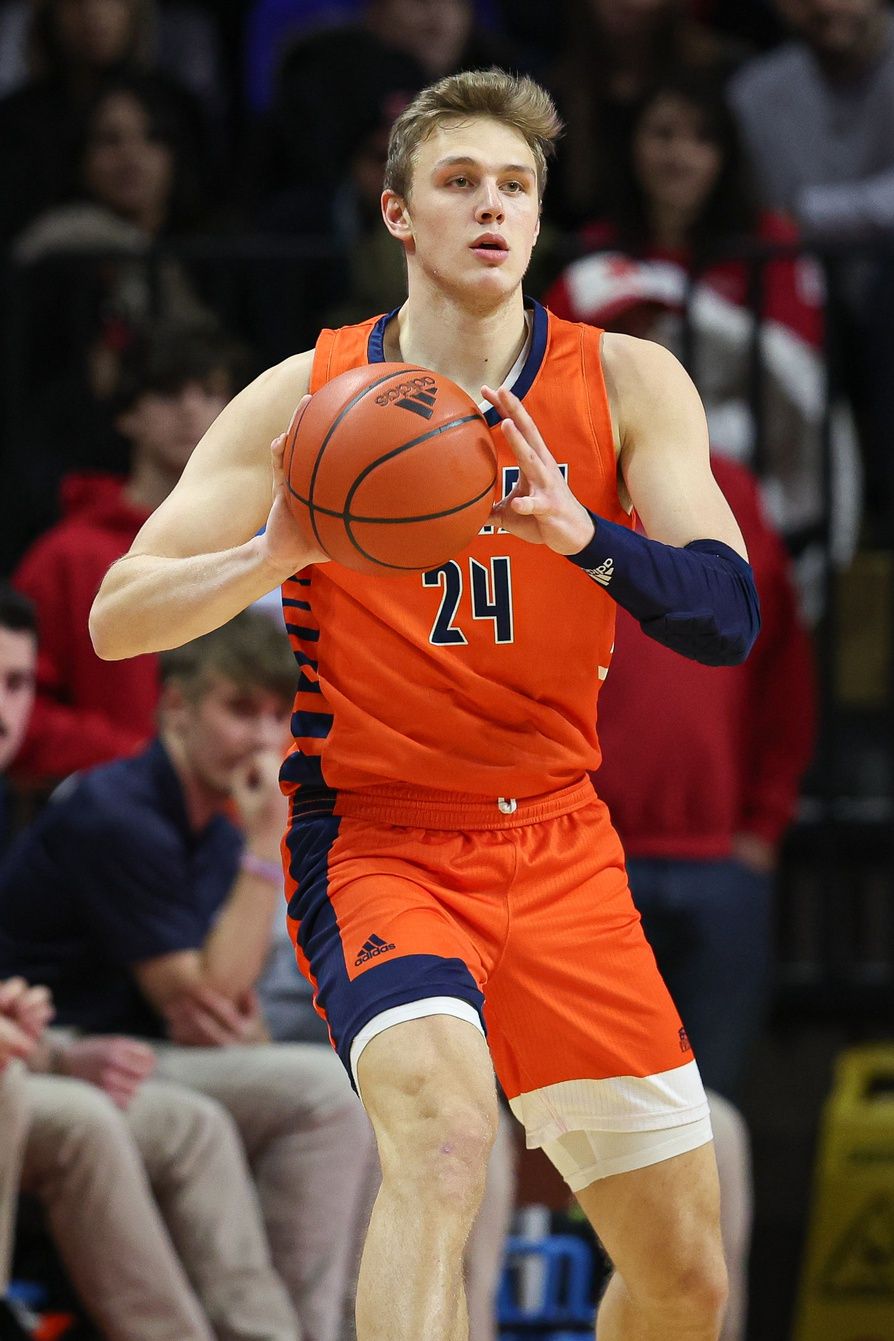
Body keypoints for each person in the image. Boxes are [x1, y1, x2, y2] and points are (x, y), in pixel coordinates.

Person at [89, 69, 762, 1341]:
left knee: (683, 1277)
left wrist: (583, 534)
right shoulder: (307, 399)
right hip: (380, 840)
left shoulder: (626, 383)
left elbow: (727, 617)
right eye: (460, 183)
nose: (492, 207)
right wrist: (265, 559)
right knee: (444, 1142)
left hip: (562, 843)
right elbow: (117, 617)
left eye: (517, 186)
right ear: (400, 214)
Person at [0, 609, 377, 1341]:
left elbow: (224, 1009)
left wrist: (234, 1014)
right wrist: (270, 836)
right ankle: (290, 1330)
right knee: (324, 1098)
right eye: (241, 710)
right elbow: (201, 995)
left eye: (278, 715)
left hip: (135, 1047)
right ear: (176, 704)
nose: (265, 740)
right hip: (82, 1043)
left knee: (395, 1106)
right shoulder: (120, 813)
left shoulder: (209, 817)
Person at [543, 71, 862, 618]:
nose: (680, 155)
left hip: (751, 468)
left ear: (727, 154)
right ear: (634, 146)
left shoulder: (772, 247)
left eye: (700, 138)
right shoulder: (590, 255)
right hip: (622, 469)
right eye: (663, 134)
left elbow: (798, 375)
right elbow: (551, 376)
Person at [10, 321, 246, 785]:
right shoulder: (66, 557)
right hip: (113, 825)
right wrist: (139, 764)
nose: (191, 409)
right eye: (168, 393)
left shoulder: (266, 544)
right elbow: (18, 709)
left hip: (264, 826)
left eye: (209, 391)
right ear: (126, 415)